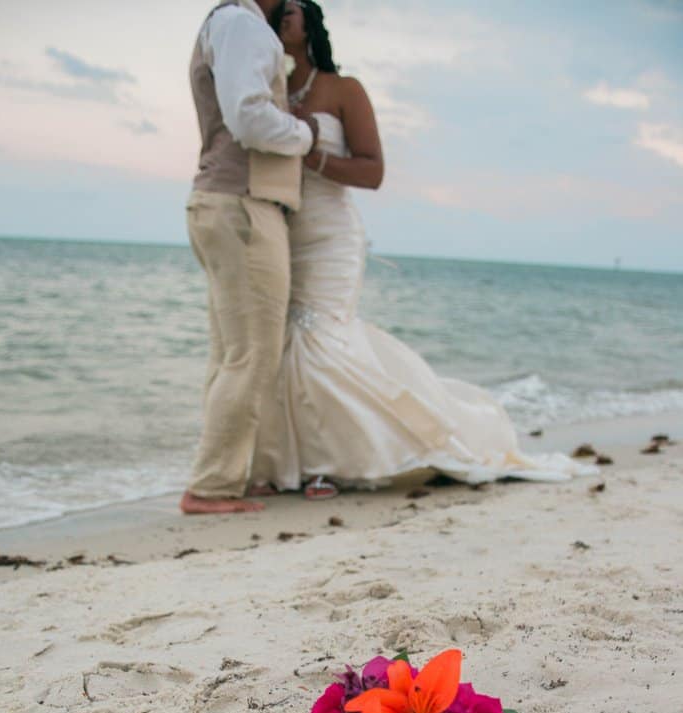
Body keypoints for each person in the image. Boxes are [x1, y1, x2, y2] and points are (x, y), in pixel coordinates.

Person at [251, 0, 593, 497]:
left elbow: (373, 172)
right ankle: (291, 463)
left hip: (332, 235)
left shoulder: (345, 90)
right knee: (286, 343)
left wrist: (312, 153)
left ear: (312, 23)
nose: (284, 12)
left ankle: (334, 460)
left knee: (320, 338)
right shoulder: (271, 91)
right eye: (277, 8)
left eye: (294, 8)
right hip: (288, 228)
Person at [181, 0, 321, 515]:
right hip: (243, 204)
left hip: (225, 202)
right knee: (251, 355)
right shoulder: (243, 24)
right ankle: (211, 488)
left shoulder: (230, 23)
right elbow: (248, 119)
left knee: (230, 355)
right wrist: (306, 134)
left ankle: (224, 476)